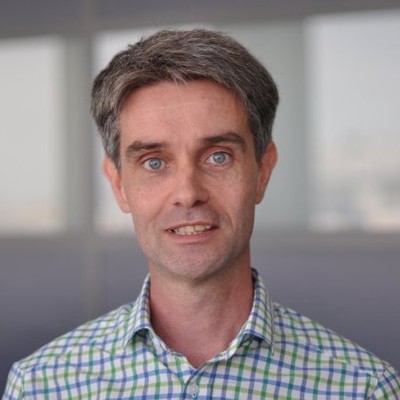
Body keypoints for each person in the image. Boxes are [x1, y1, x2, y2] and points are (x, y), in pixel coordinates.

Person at [3, 29, 400, 399]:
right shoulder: (40, 386)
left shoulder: (362, 388)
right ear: (119, 184)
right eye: (154, 162)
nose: (188, 193)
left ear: (262, 171)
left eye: (218, 156)